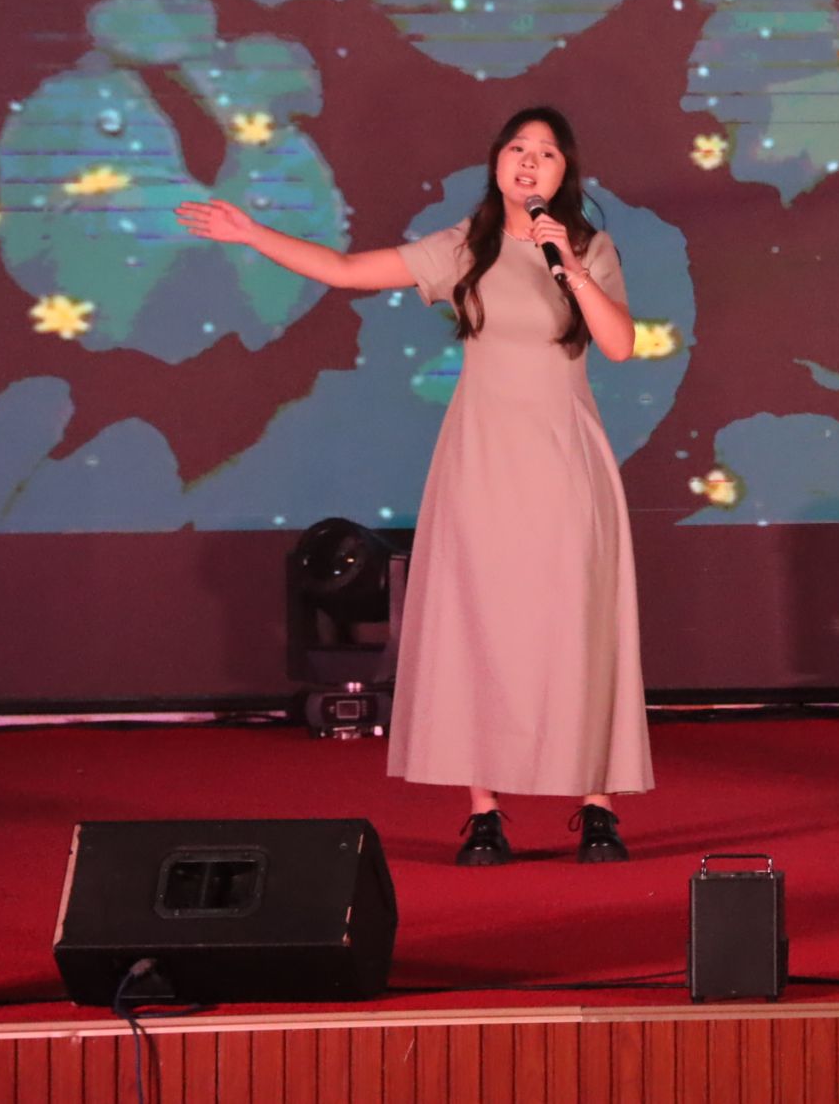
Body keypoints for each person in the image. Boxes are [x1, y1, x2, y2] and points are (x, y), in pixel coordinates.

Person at [177, 106, 653, 866]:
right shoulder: (462, 247)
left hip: (566, 455)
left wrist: (569, 261)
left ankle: (597, 807)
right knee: (479, 620)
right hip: (481, 457)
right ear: (496, 161)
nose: (529, 162)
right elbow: (345, 271)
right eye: (518, 148)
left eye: (547, 153)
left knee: (578, 619)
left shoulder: (588, 246)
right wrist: (253, 234)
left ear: (566, 173)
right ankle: (485, 812)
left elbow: (621, 345)